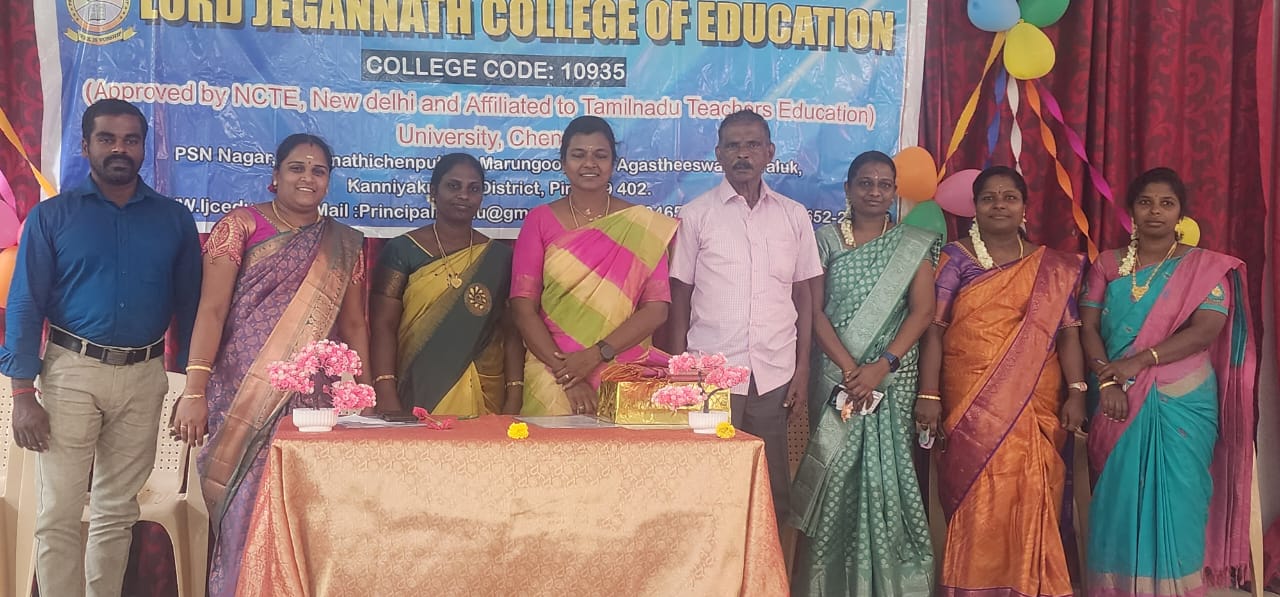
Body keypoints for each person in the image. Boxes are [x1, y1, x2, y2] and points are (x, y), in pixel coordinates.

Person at [0, 98, 202, 597]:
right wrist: (22, 391)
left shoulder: (173, 220)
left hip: (145, 375)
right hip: (71, 371)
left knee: (117, 512)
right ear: (86, 144)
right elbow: (25, 303)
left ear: (144, 147)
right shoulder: (52, 217)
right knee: (59, 511)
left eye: (131, 140)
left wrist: (192, 384)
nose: (119, 149)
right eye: (107, 138)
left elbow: (192, 307)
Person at [167, 133, 371, 596]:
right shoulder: (239, 226)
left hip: (315, 404)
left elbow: (355, 325)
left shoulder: (343, 243)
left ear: (329, 180)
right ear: (275, 176)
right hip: (243, 393)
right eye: (297, 168)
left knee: (308, 511)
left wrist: (361, 396)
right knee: (245, 511)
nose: (307, 178)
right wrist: (194, 390)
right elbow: (211, 311)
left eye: (318, 170)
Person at [1081, 167, 1256, 596]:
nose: (1155, 211)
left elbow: (1206, 330)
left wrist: (1139, 361)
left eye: (1166, 203)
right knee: (1120, 498)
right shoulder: (1107, 265)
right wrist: (1108, 383)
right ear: (1131, 210)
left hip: (1184, 396)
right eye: (1145, 202)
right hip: (1116, 392)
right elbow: (1087, 329)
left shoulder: (1204, 268)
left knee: (1180, 495)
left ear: (1181, 213)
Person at [915, 165, 1086, 597]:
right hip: (969, 398)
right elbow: (934, 329)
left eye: (1009, 197)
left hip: (1034, 396)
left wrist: (1077, 390)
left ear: (1025, 206)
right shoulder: (956, 258)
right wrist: (929, 393)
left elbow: (1069, 333)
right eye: (988, 198)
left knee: (1031, 486)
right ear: (974, 207)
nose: (999, 205)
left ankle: (1030, 584)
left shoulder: (1050, 266)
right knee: (977, 492)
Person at [790, 151, 939, 596]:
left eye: (883, 185)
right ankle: (829, 584)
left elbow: (923, 311)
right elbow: (814, 312)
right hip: (837, 375)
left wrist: (881, 365)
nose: (874, 192)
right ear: (848, 189)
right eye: (865, 183)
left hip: (892, 377)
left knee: (887, 478)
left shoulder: (914, 242)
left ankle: (889, 583)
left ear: (895, 192)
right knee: (835, 476)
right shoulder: (824, 241)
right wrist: (851, 368)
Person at [669, 109, 822, 525]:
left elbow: (804, 294)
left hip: (774, 373)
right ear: (718, 153)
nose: (743, 154)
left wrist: (803, 368)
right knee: (709, 487)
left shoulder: (793, 215)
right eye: (733, 146)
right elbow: (680, 294)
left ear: (769, 152)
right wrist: (679, 369)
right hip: (709, 375)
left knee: (770, 490)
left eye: (752, 145)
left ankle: (767, 565)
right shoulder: (697, 214)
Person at [510, 116, 677, 416]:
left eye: (600, 155)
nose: (589, 163)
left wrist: (596, 355)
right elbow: (523, 308)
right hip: (552, 370)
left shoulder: (640, 225)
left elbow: (656, 310)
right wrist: (567, 374)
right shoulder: (539, 220)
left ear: (614, 163)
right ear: (563, 162)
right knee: (549, 447)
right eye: (578, 155)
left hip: (622, 370)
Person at [369, 153, 522, 416]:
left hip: (486, 392)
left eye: (474, 189)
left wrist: (515, 394)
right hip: (418, 388)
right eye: (453, 186)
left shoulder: (499, 258)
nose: (463, 195)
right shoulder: (402, 250)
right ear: (433, 192)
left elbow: (511, 333)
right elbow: (383, 326)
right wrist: (385, 392)